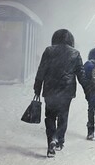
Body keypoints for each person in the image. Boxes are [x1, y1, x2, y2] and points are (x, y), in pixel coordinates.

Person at [34, 29, 89, 157]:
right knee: (63, 117)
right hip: (66, 91)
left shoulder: (48, 51)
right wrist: (87, 89)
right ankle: (59, 140)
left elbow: (41, 70)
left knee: (50, 117)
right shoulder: (75, 53)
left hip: (50, 89)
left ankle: (51, 144)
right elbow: (81, 74)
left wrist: (37, 87)